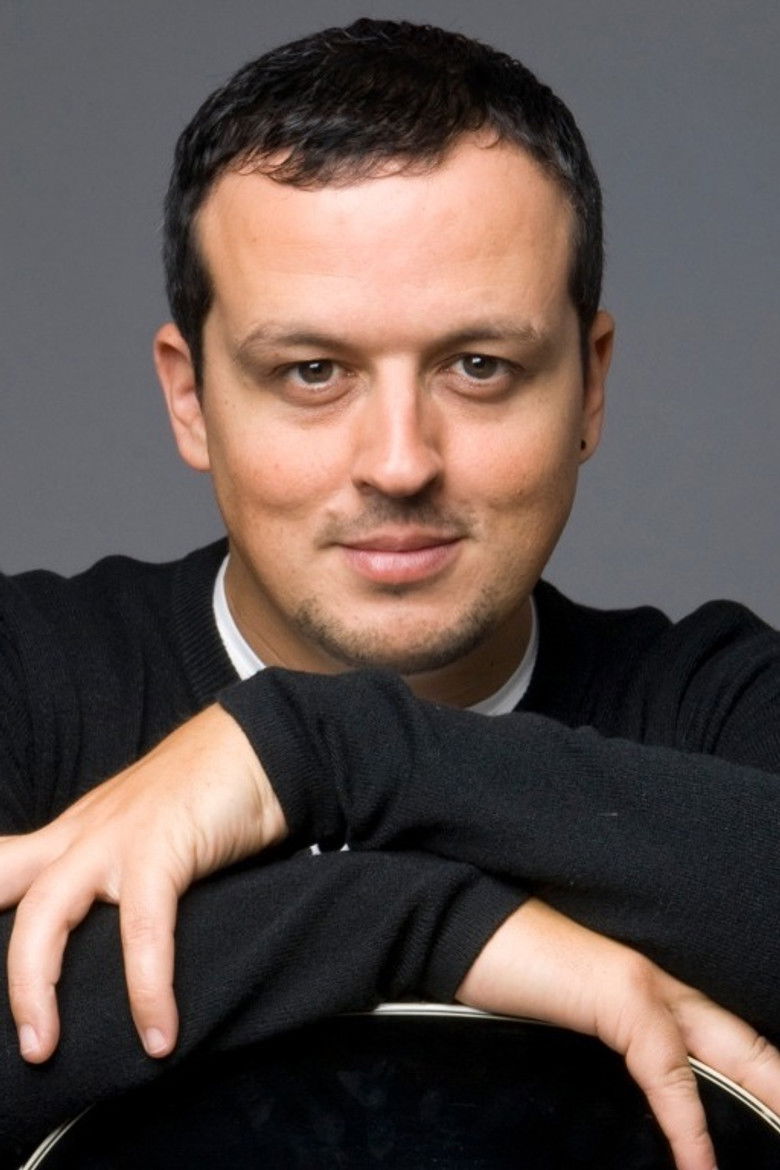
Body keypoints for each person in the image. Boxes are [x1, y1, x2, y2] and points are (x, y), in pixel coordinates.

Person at [1, 18, 778, 1170]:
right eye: (313, 372)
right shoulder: (25, 678)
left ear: (589, 388)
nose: (401, 462)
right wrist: (429, 928)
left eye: (480, 367)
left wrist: (325, 751)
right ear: (190, 397)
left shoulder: (718, 702)